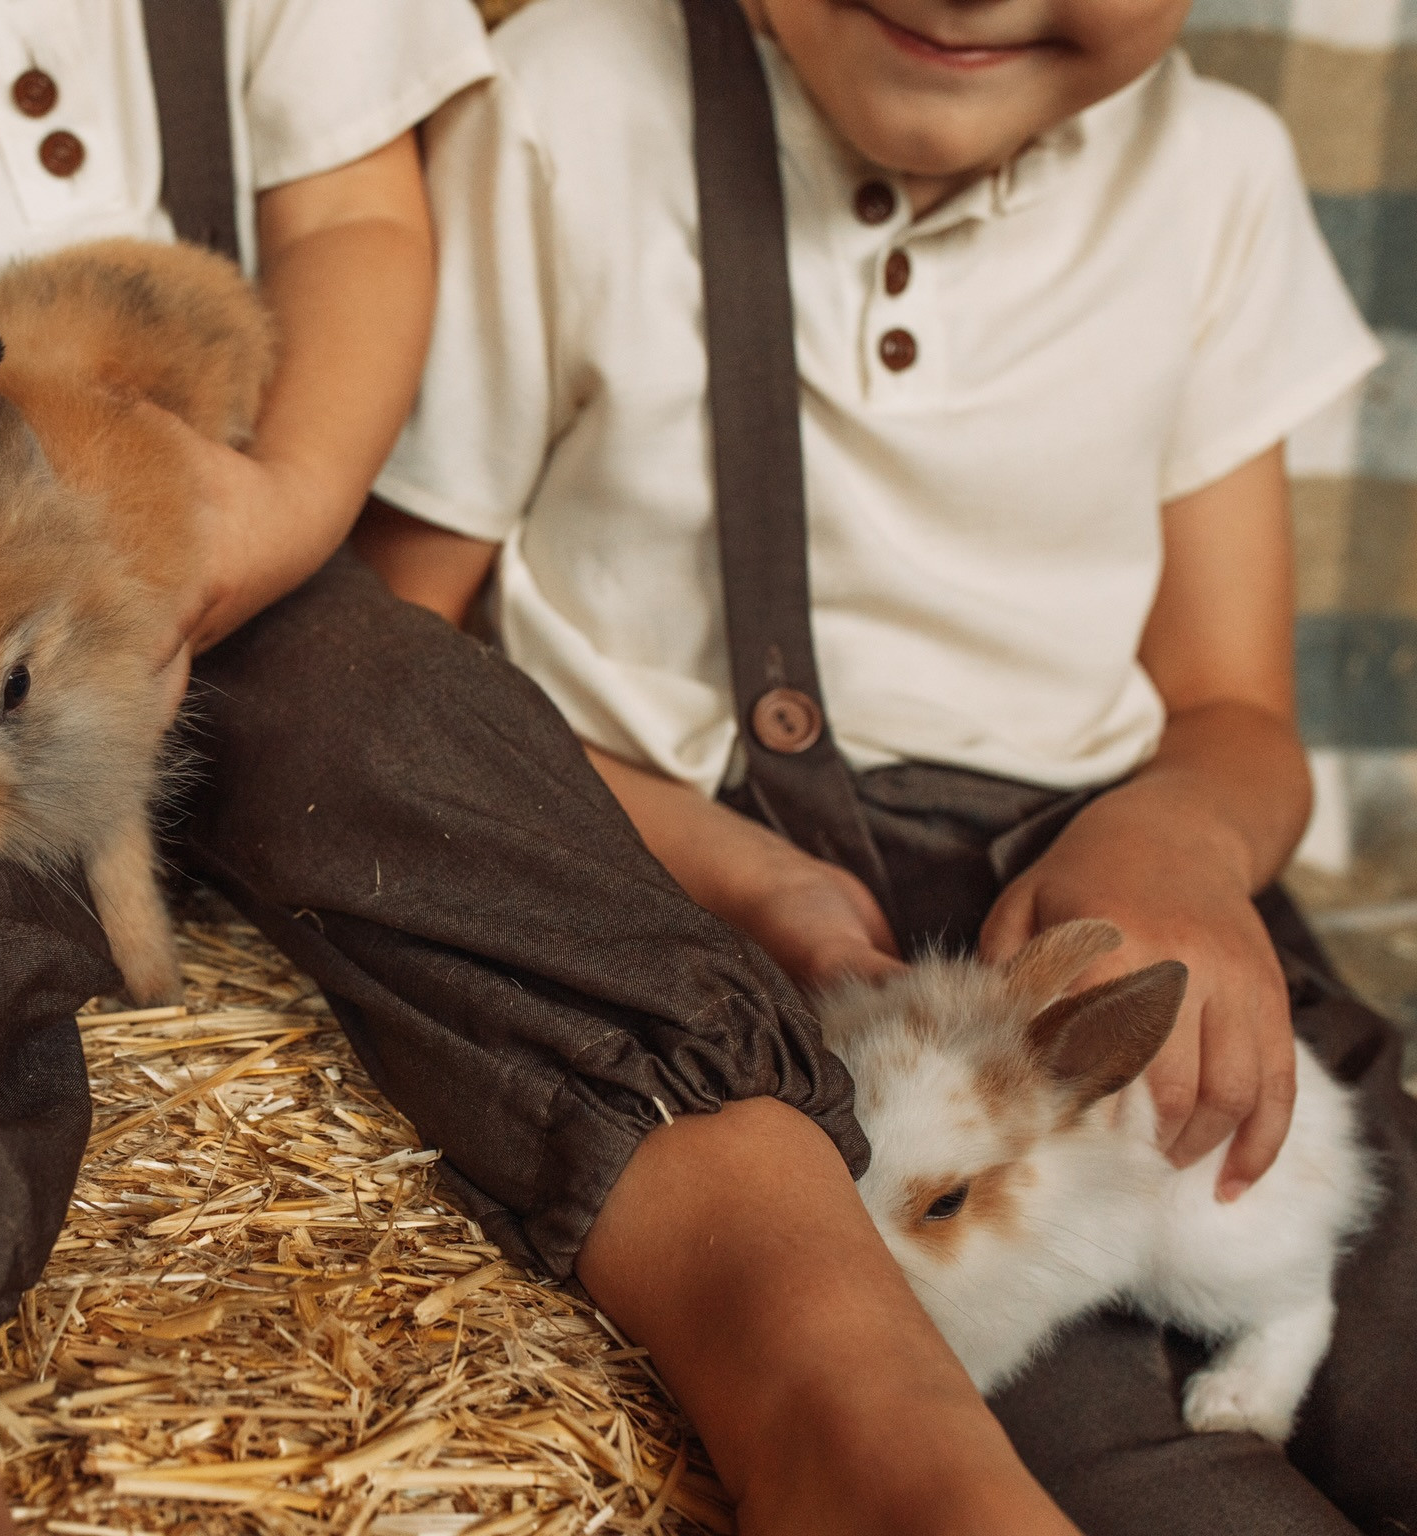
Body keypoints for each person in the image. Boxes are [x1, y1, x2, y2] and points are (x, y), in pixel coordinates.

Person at [0, 2, 1099, 1533]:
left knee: (423, 744)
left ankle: (833, 1376)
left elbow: (354, 221)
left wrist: (283, 509)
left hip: (194, 500)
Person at [360, 0, 1417, 1530]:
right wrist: (719, 866)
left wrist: (1175, 847)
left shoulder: (1214, 172)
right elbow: (402, 660)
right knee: (1078, 1454)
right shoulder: (573, 96)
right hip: (719, 914)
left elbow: (1237, 713)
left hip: (1111, 907)